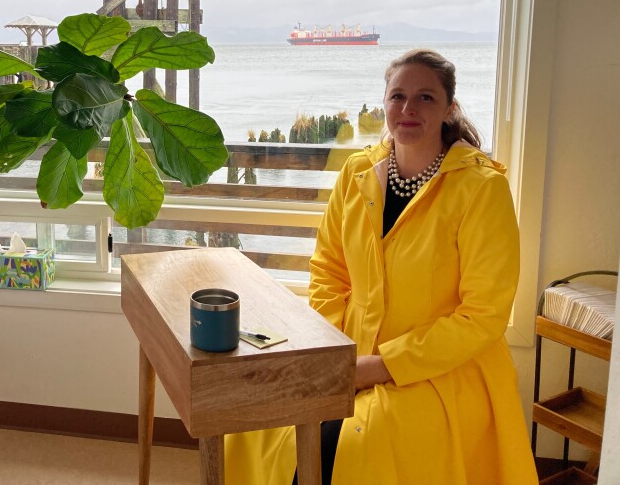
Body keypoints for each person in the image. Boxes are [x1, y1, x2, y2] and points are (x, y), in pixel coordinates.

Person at [225, 49, 538, 485]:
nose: (408, 109)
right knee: (255, 416)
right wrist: (334, 350)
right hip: (348, 348)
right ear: (384, 103)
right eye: (398, 96)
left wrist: (377, 366)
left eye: (426, 98)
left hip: (441, 369)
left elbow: (483, 316)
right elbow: (328, 271)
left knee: (351, 445)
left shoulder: (482, 189)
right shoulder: (357, 173)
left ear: (449, 108)